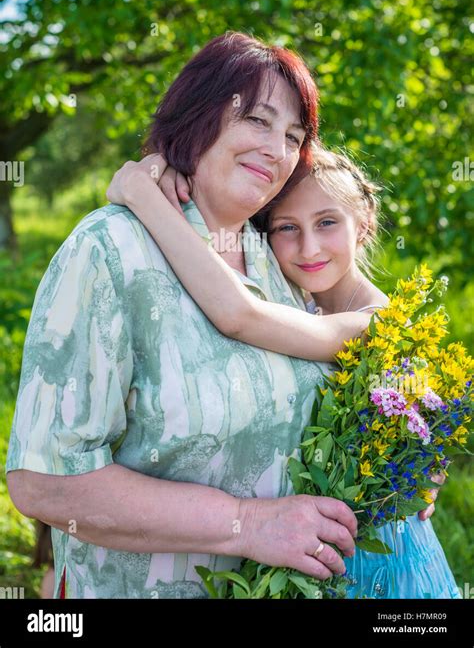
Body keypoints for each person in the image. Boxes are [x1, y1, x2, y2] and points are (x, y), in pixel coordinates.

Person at [5, 31, 371, 599]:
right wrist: (247, 524)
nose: (277, 150)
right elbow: (44, 482)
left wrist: (409, 457)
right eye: (256, 119)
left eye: (293, 136)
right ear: (196, 116)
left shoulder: (279, 256)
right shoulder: (109, 250)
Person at [104, 145, 459, 599]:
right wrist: (177, 170)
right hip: (310, 548)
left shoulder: (377, 324)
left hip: (374, 558)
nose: (309, 247)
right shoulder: (291, 298)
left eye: (327, 222)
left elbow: (239, 315)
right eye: (287, 228)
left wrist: (144, 195)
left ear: (365, 221)